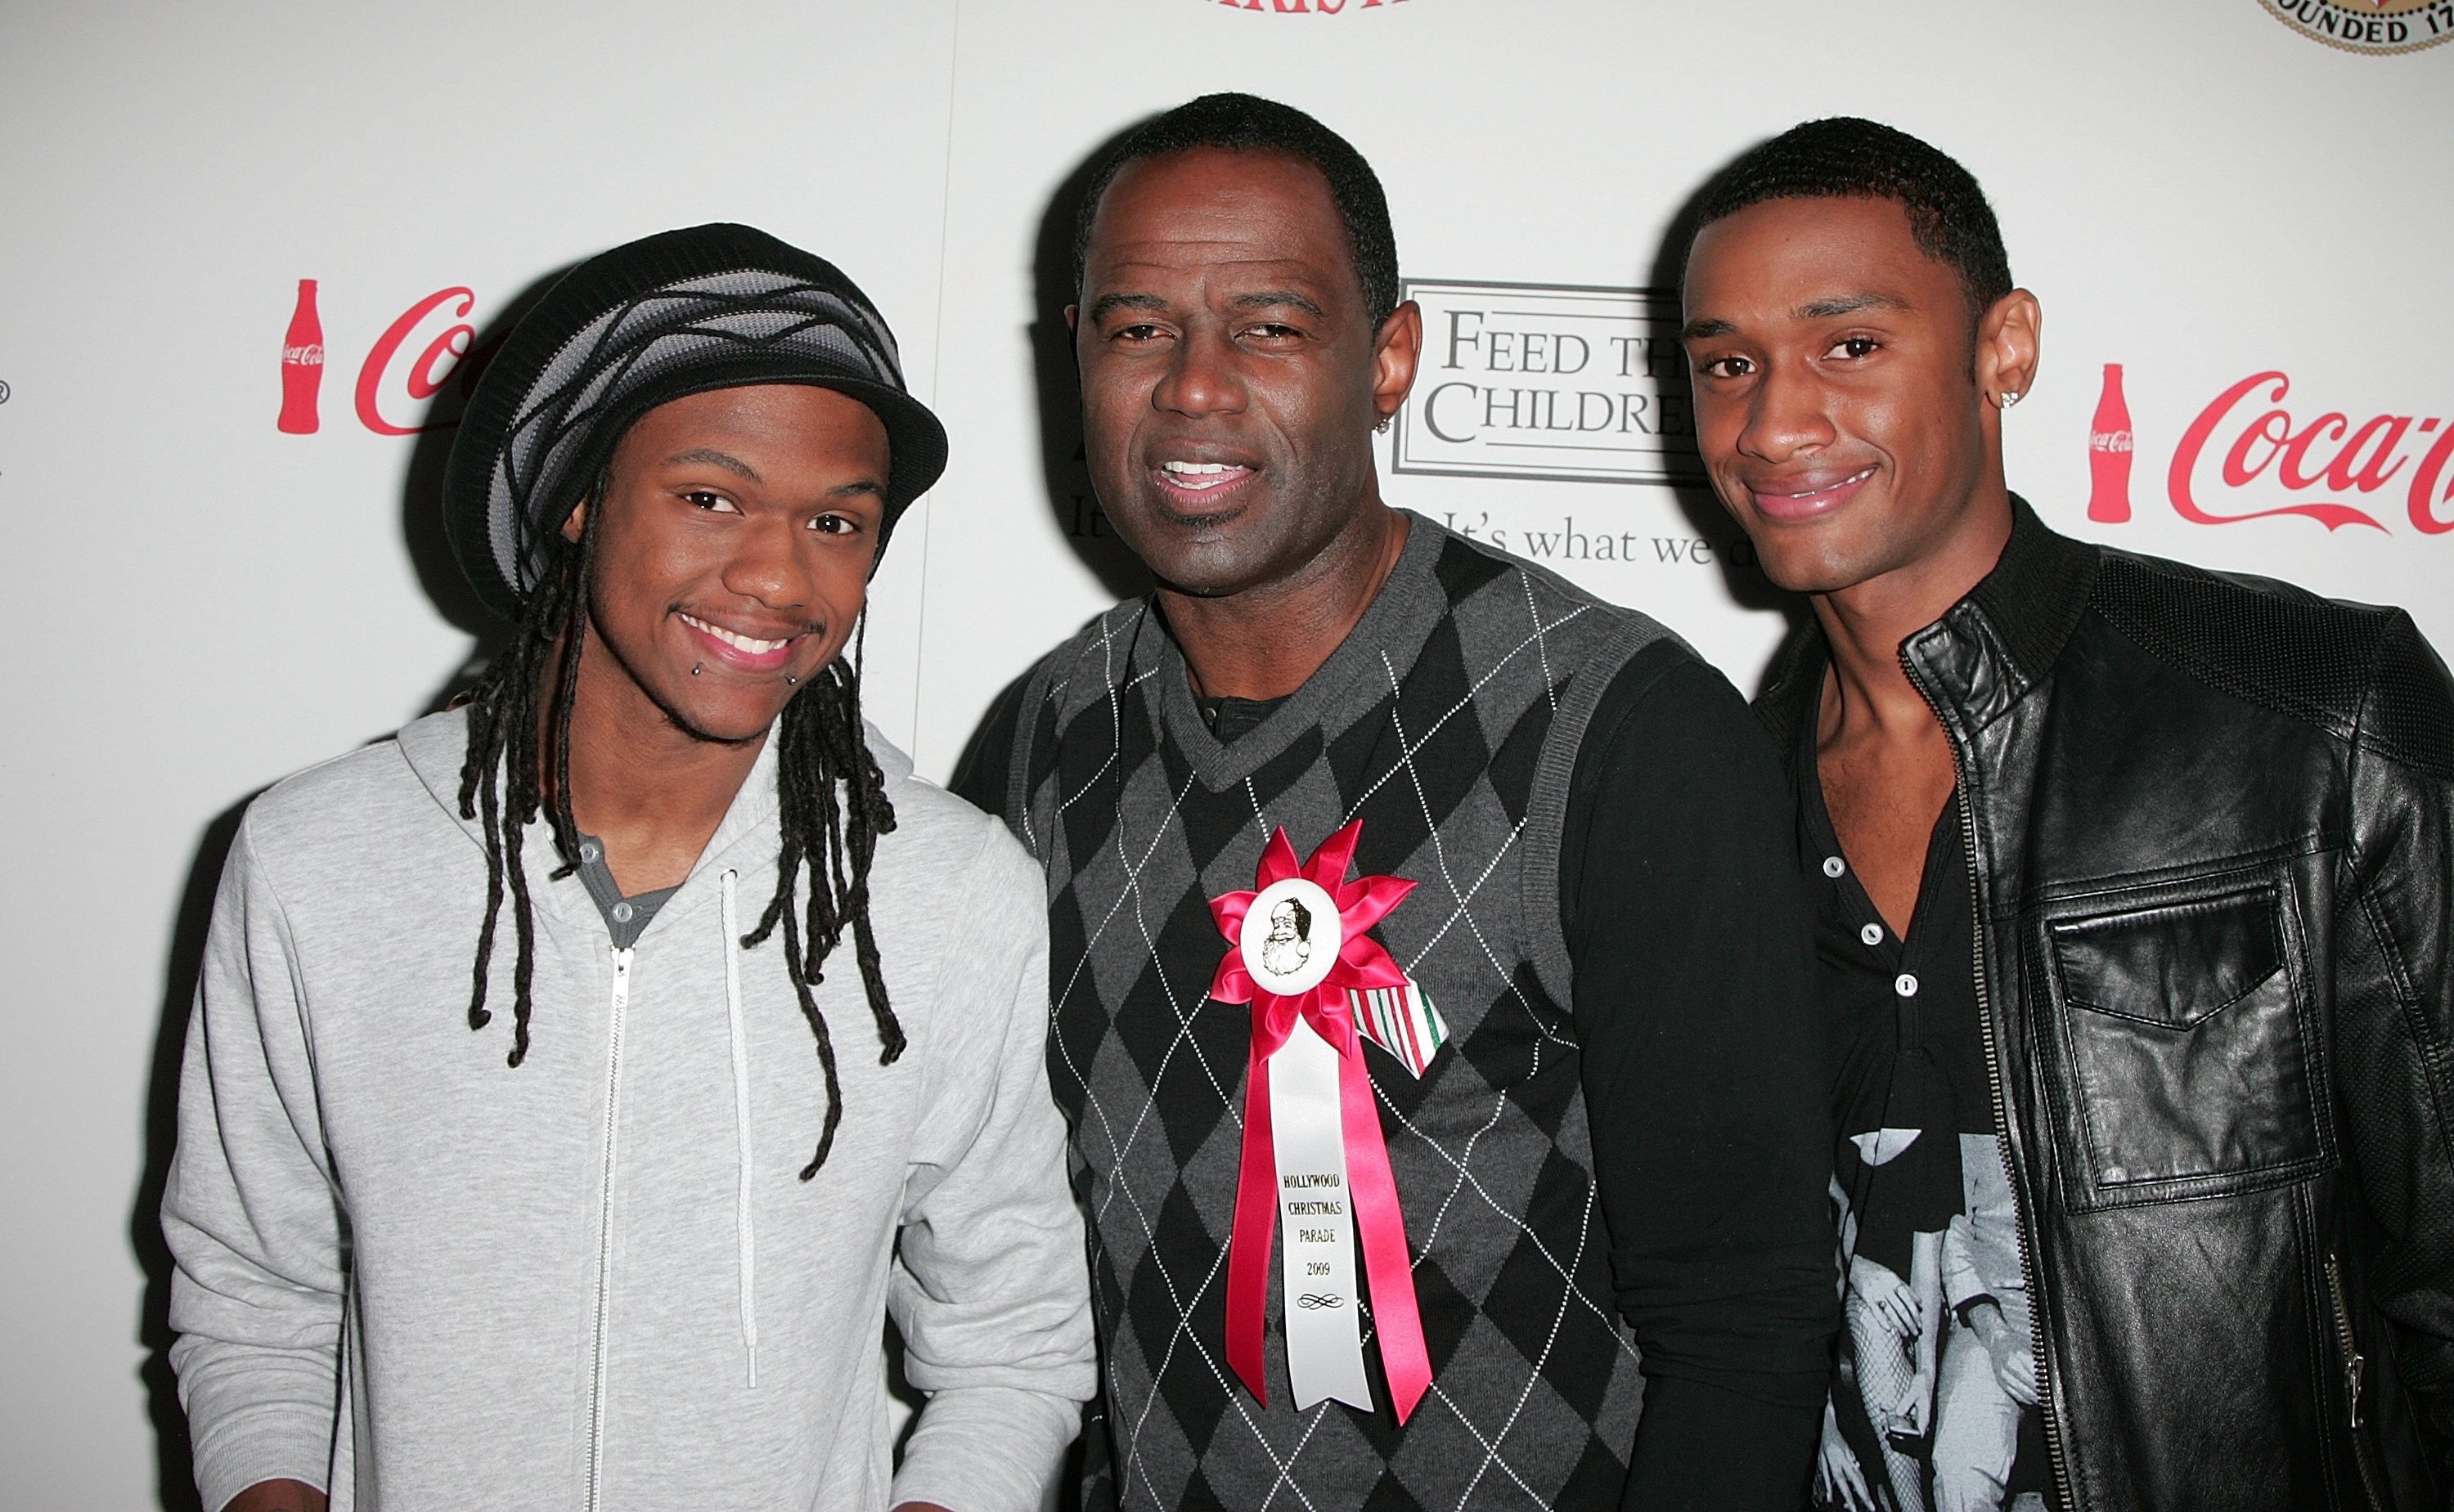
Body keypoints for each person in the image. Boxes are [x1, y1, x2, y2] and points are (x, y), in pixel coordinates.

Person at [955, 93, 1835, 1511]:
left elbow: (1747, 1322)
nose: (1190, 385)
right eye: (1136, 328)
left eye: (1270, 325)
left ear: (1391, 358)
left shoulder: (1617, 727)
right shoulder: (1041, 742)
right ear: (1077, 359)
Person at [162, 224, 1094, 1512]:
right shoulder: (318, 858)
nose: (776, 572)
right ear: (579, 496)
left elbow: (1012, 1338)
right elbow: (252, 1293)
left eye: (836, 519)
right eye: (709, 496)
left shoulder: (947, 898)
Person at [1678, 117, 2454, 1512]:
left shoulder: (2315, 718)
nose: (1774, 422)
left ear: (2004, 347)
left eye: (1848, 344)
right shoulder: (1708, 798)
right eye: (1728, 361)